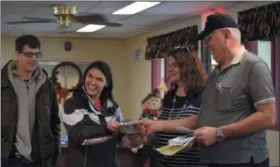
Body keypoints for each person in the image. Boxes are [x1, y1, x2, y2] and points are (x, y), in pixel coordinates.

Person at [135, 13, 276, 167]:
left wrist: (218, 133)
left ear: (226, 35)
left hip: (243, 160)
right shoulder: (217, 73)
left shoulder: (254, 66)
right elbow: (205, 118)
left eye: (209, 39)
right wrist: (160, 126)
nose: (206, 45)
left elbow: (268, 116)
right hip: (214, 159)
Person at [62, 61, 144, 167]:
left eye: (99, 79)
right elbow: (81, 136)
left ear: (107, 83)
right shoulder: (72, 104)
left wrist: (134, 140)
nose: (92, 82)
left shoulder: (113, 107)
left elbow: (120, 140)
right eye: (90, 76)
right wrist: (106, 128)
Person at [141, 45, 208, 167]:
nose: (170, 69)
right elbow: (158, 137)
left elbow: (197, 121)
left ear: (187, 67)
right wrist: (148, 136)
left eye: (175, 65)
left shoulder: (203, 95)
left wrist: (157, 125)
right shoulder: (168, 97)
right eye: (169, 65)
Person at [1, 35, 61, 167]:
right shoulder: (3, 84)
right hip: (12, 159)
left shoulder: (46, 85)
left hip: (41, 159)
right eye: (29, 54)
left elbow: (54, 122)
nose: (33, 59)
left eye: (37, 54)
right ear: (18, 54)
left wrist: (55, 152)